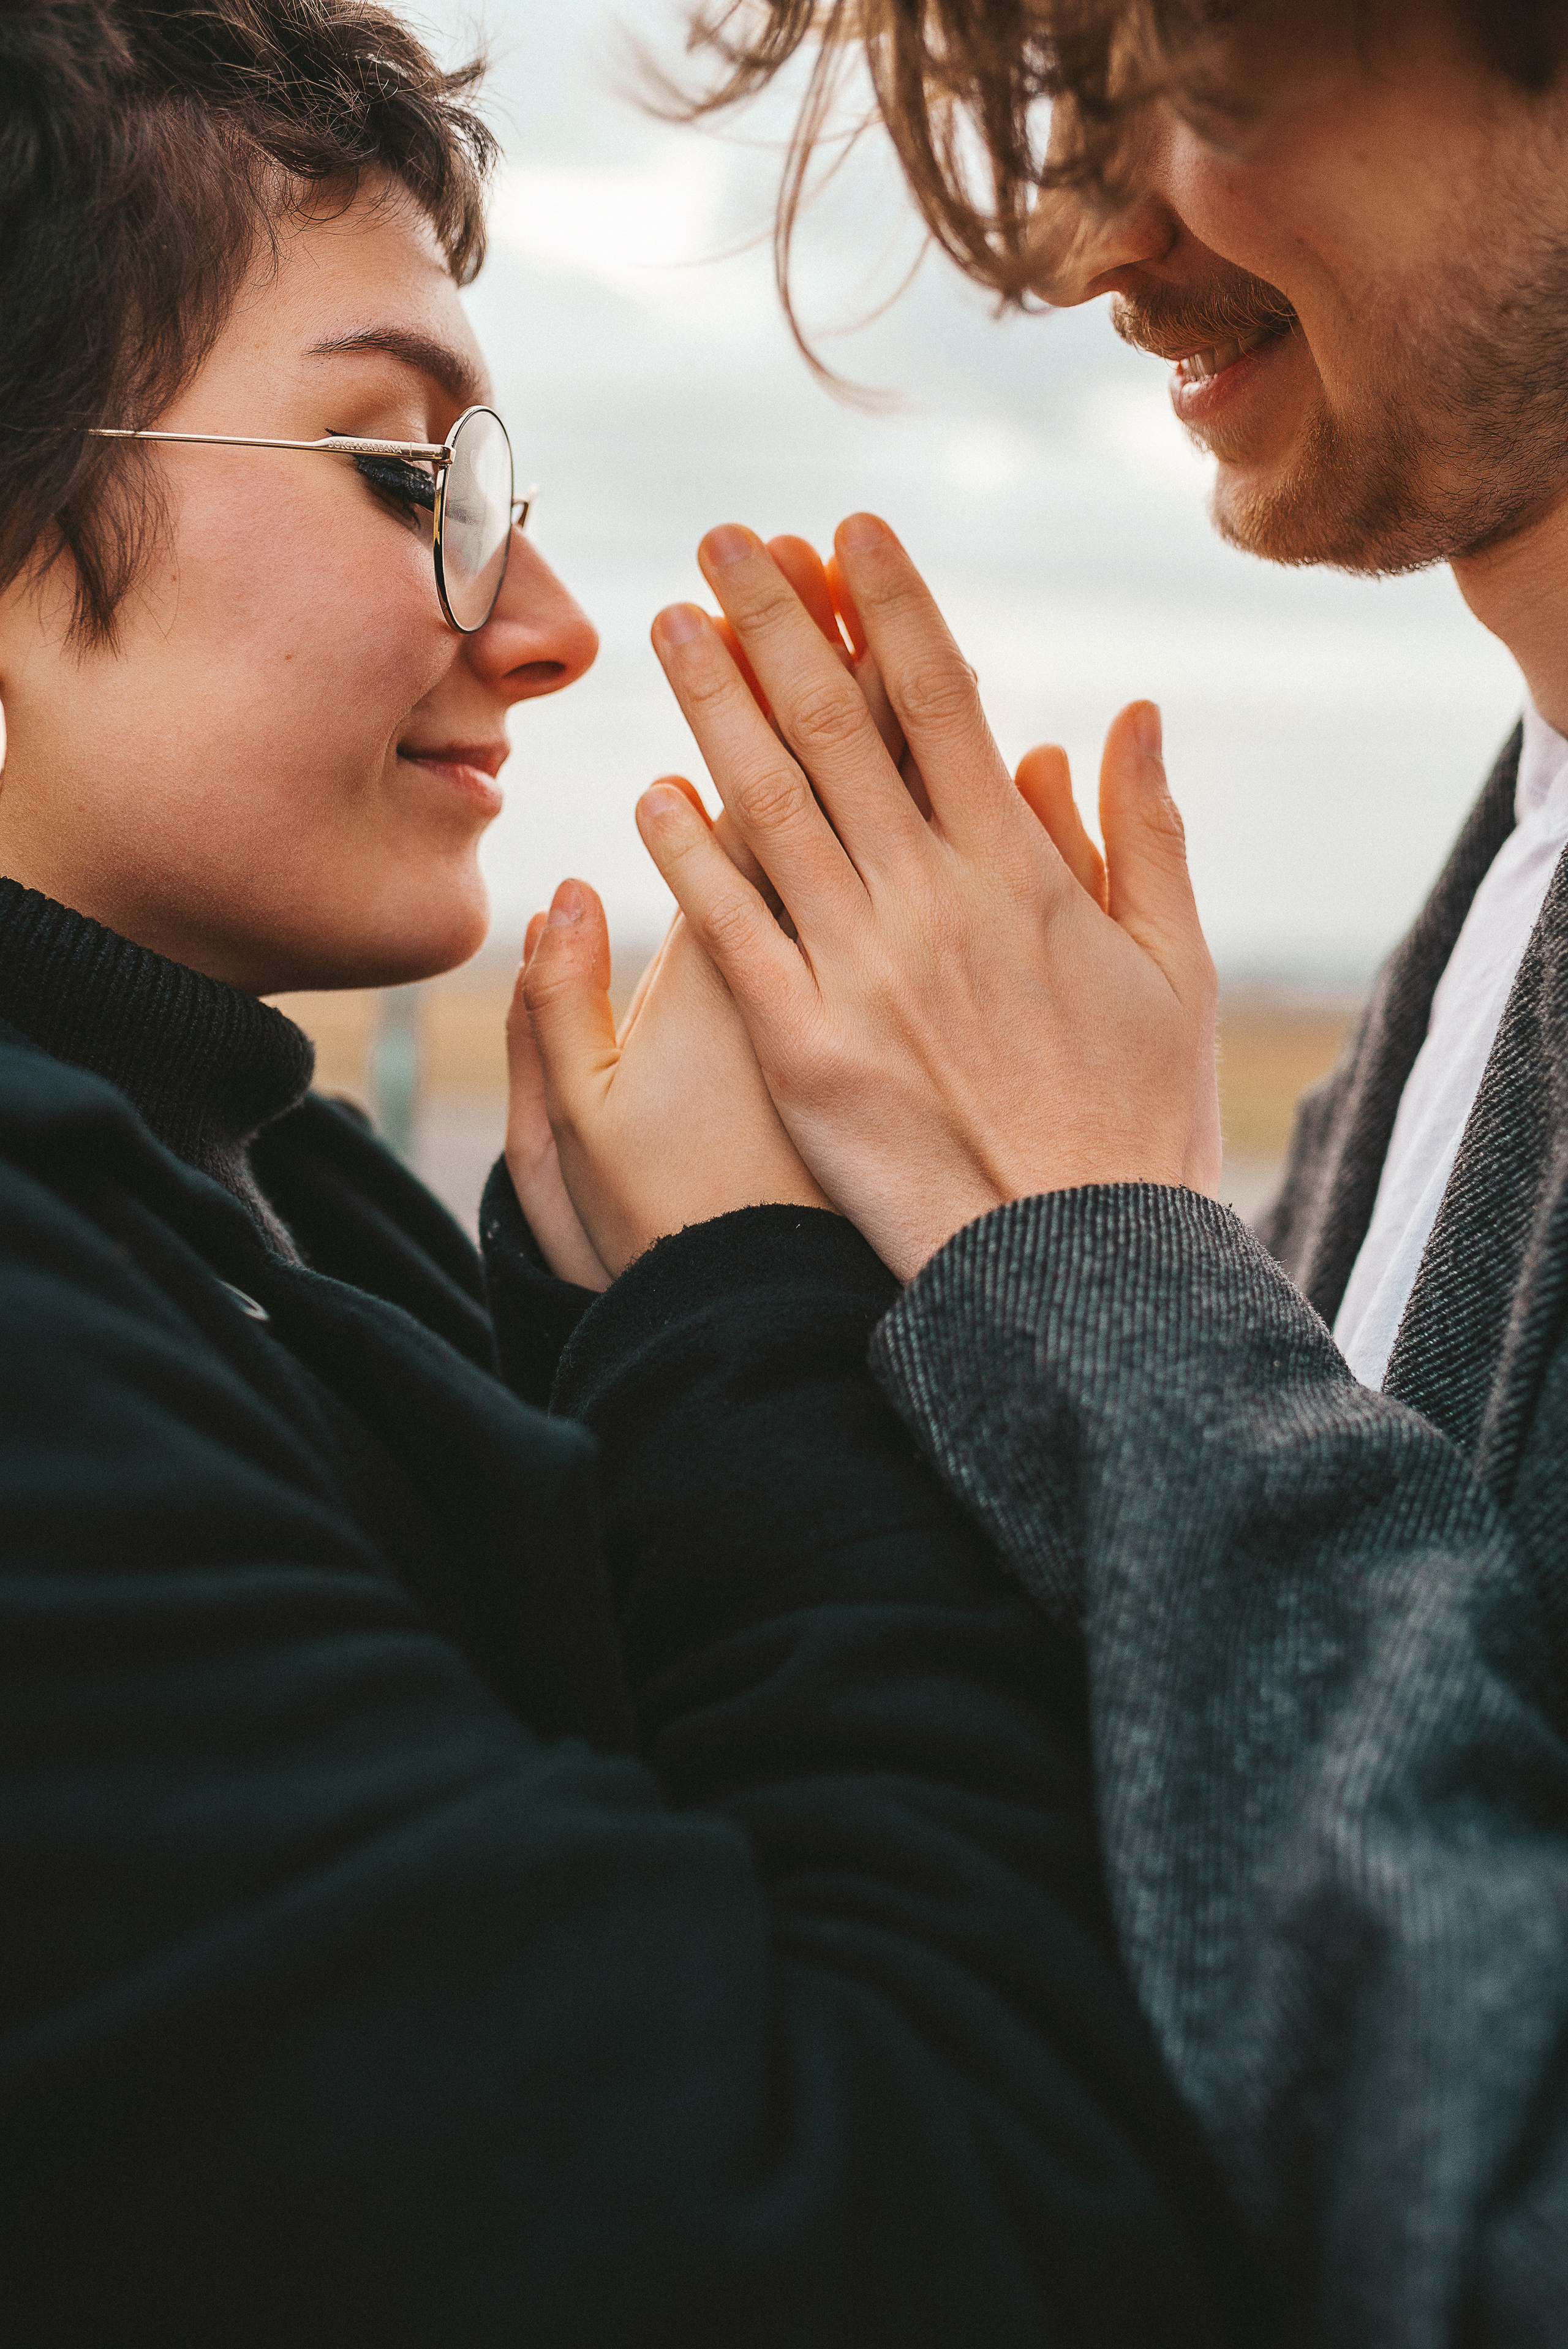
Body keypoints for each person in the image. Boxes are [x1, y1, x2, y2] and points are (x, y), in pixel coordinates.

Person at [0, 2, 1261, 2341]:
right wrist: (748, 1301)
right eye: (408, 478)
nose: (550, 625)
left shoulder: (264, 1211)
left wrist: (597, 1314)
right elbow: (937, 2227)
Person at [514, 2, 1568, 2340]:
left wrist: (1100, 1266)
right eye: (1076, 115)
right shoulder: (1505, 871)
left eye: (1206, 92)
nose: (1101, 243)